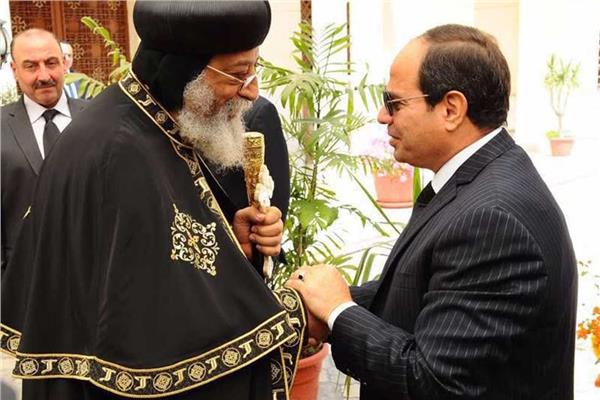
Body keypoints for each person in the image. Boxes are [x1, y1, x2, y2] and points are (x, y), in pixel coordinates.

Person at [0, 2, 306, 399]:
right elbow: (158, 339)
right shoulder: (120, 149)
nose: (252, 91)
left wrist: (233, 244)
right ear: (184, 71)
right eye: (237, 74)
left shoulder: (150, 121)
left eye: (253, 70)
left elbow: (163, 259)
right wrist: (299, 308)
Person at [288, 24, 577, 400]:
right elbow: (423, 293)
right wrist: (318, 302)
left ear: (451, 109)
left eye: (394, 103)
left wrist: (339, 312)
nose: (382, 116)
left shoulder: (493, 219)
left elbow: (433, 382)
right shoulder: (478, 180)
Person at [1, 29, 86, 274]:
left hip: (95, 278)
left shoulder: (99, 118)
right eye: (31, 66)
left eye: (51, 63)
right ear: (14, 70)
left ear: (65, 63)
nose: (44, 76)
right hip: (23, 280)